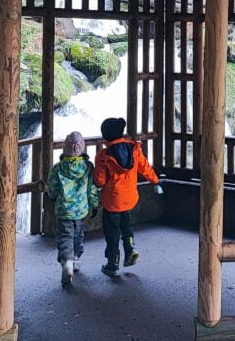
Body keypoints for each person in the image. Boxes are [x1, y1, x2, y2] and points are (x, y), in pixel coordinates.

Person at [93, 117, 161, 278]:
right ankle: (130, 248)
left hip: (112, 200)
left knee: (112, 231)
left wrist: (94, 179)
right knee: (126, 224)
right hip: (130, 197)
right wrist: (155, 181)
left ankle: (112, 264)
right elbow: (145, 168)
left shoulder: (103, 155)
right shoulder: (134, 149)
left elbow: (100, 181)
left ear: (105, 136)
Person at [46, 131, 100, 286]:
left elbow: (53, 188)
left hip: (64, 210)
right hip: (81, 210)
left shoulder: (58, 168)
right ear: (82, 148)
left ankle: (67, 261)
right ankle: (76, 259)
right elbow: (92, 189)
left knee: (65, 237)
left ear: (65, 148)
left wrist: (52, 196)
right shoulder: (88, 167)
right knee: (78, 235)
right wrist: (95, 204)